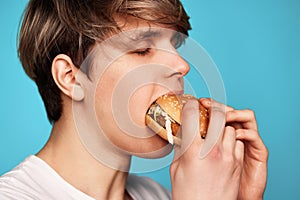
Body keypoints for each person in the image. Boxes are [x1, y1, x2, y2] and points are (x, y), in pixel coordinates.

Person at [0, 0, 268, 199]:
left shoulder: (158, 194)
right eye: (142, 49)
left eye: (174, 45)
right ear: (71, 77)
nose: (182, 65)